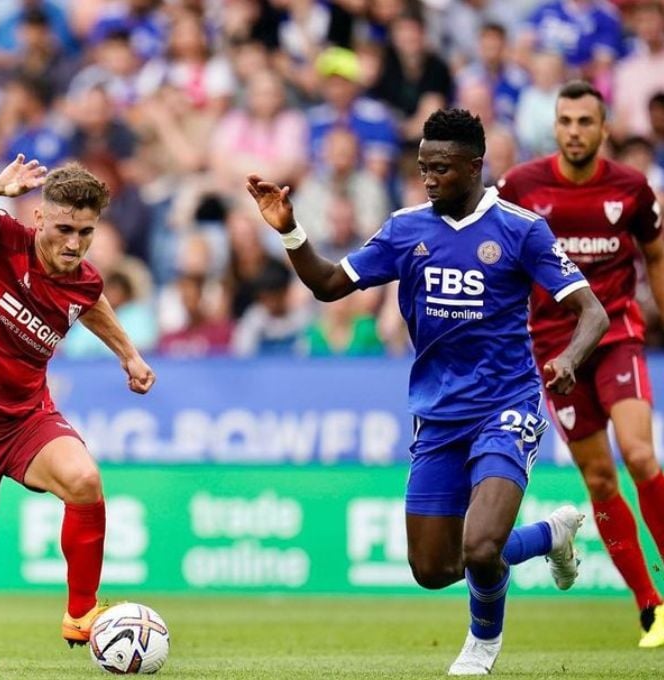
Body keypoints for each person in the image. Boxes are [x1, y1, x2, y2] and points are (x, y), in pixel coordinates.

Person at [247, 108, 608, 675]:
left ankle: (482, 645)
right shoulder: (405, 228)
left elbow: (593, 313)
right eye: (422, 167)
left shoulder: (521, 229)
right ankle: (550, 535)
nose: (430, 178)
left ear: (474, 167)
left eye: (441, 168)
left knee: (482, 547)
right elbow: (326, 285)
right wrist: (290, 230)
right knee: (432, 569)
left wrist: (568, 358)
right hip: (437, 414)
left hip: (505, 407)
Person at [0, 155, 155, 671]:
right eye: (65, 229)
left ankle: (81, 613)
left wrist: (129, 354)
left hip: (24, 417)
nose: (74, 243)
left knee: (84, 479)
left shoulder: (83, 279)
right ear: (39, 219)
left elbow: (89, 302)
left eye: (86, 232)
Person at [498, 80, 664, 647]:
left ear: (604, 128)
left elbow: (657, 255)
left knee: (640, 454)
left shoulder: (632, 189)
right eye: (565, 121)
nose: (574, 132)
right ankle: (651, 605)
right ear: (555, 126)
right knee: (598, 477)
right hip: (552, 350)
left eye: (584, 122)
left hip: (616, 333)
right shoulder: (520, 186)